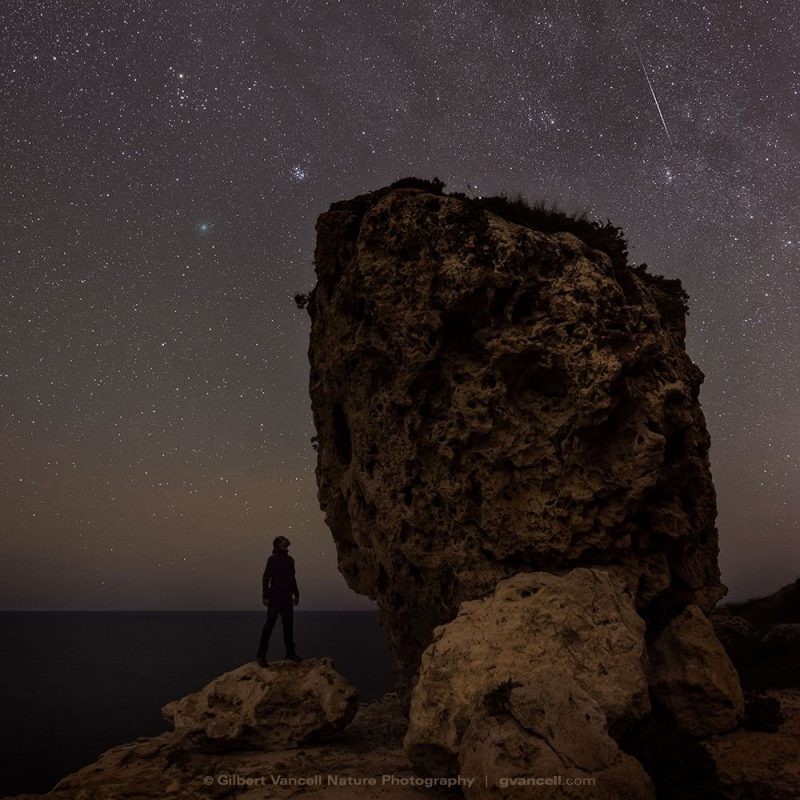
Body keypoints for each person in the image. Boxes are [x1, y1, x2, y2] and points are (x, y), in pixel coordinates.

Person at [256, 535, 302, 666]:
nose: (287, 543)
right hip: (275, 597)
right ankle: (261, 655)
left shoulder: (290, 560)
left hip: (287, 598)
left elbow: (292, 578)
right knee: (269, 626)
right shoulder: (272, 560)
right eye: (283, 542)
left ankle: (290, 653)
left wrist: (296, 594)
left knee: (288, 627)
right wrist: (265, 596)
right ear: (278, 545)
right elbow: (266, 577)